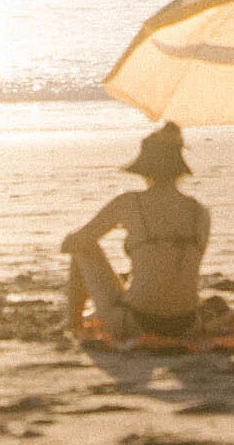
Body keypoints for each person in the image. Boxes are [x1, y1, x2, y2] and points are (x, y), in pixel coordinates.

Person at [63, 122, 211, 347]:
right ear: (179, 168)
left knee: (83, 248)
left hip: (136, 322)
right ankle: (79, 320)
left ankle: (72, 324)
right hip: (188, 323)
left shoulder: (129, 202)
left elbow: (72, 244)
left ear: (145, 170)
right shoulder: (199, 211)